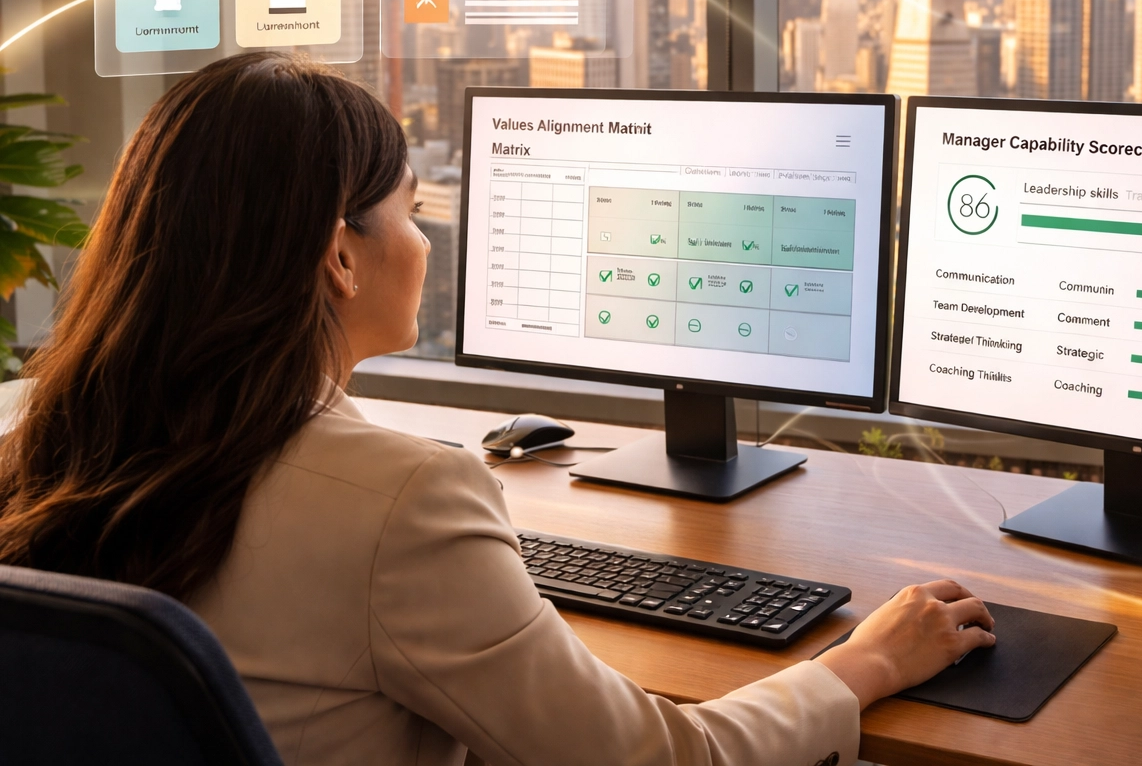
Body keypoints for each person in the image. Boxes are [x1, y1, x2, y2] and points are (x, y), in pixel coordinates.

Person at [0, 52, 995, 766]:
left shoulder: (44, 447)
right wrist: (862, 664)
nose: (426, 241)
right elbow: (662, 758)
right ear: (339, 256)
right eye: (410, 211)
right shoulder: (402, 501)